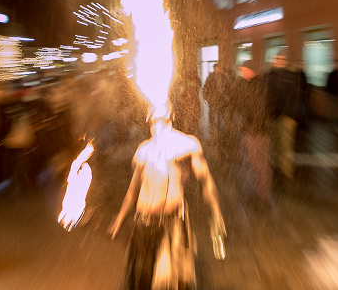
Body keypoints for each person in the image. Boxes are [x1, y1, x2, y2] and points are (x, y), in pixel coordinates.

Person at [110, 110, 225, 289]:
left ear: (171, 113)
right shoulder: (143, 150)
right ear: (147, 116)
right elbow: (133, 190)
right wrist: (120, 217)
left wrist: (216, 213)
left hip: (171, 225)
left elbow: (206, 180)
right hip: (142, 222)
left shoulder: (186, 144)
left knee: (171, 283)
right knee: (141, 279)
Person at [236, 60, 273, 206]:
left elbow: (259, 111)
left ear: (251, 70)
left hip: (256, 132)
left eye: (244, 69)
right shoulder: (254, 84)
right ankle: (261, 192)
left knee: (260, 163)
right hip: (254, 130)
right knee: (257, 163)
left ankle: (263, 196)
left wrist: (254, 130)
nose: (242, 72)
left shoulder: (257, 86)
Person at [267, 48, 302, 178]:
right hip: (273, 114)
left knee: (286, 144)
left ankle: (287, 171)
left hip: (287, 115)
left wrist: (292, 113)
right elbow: (267, 94)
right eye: (278, 58)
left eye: (282, 59)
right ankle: (277, 166)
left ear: (286, 61)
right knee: (275, 142)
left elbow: (296, 96)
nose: (280, 61)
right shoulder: (271, 75)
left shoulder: (291, 76)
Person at [326, 59, 338, 135]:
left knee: (335, 112)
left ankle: (332, 125)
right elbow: (328, 86)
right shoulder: (333, 74)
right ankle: (333, 126)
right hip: (333, 96)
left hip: (337, 96)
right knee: (335, 112)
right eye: (337, 64)